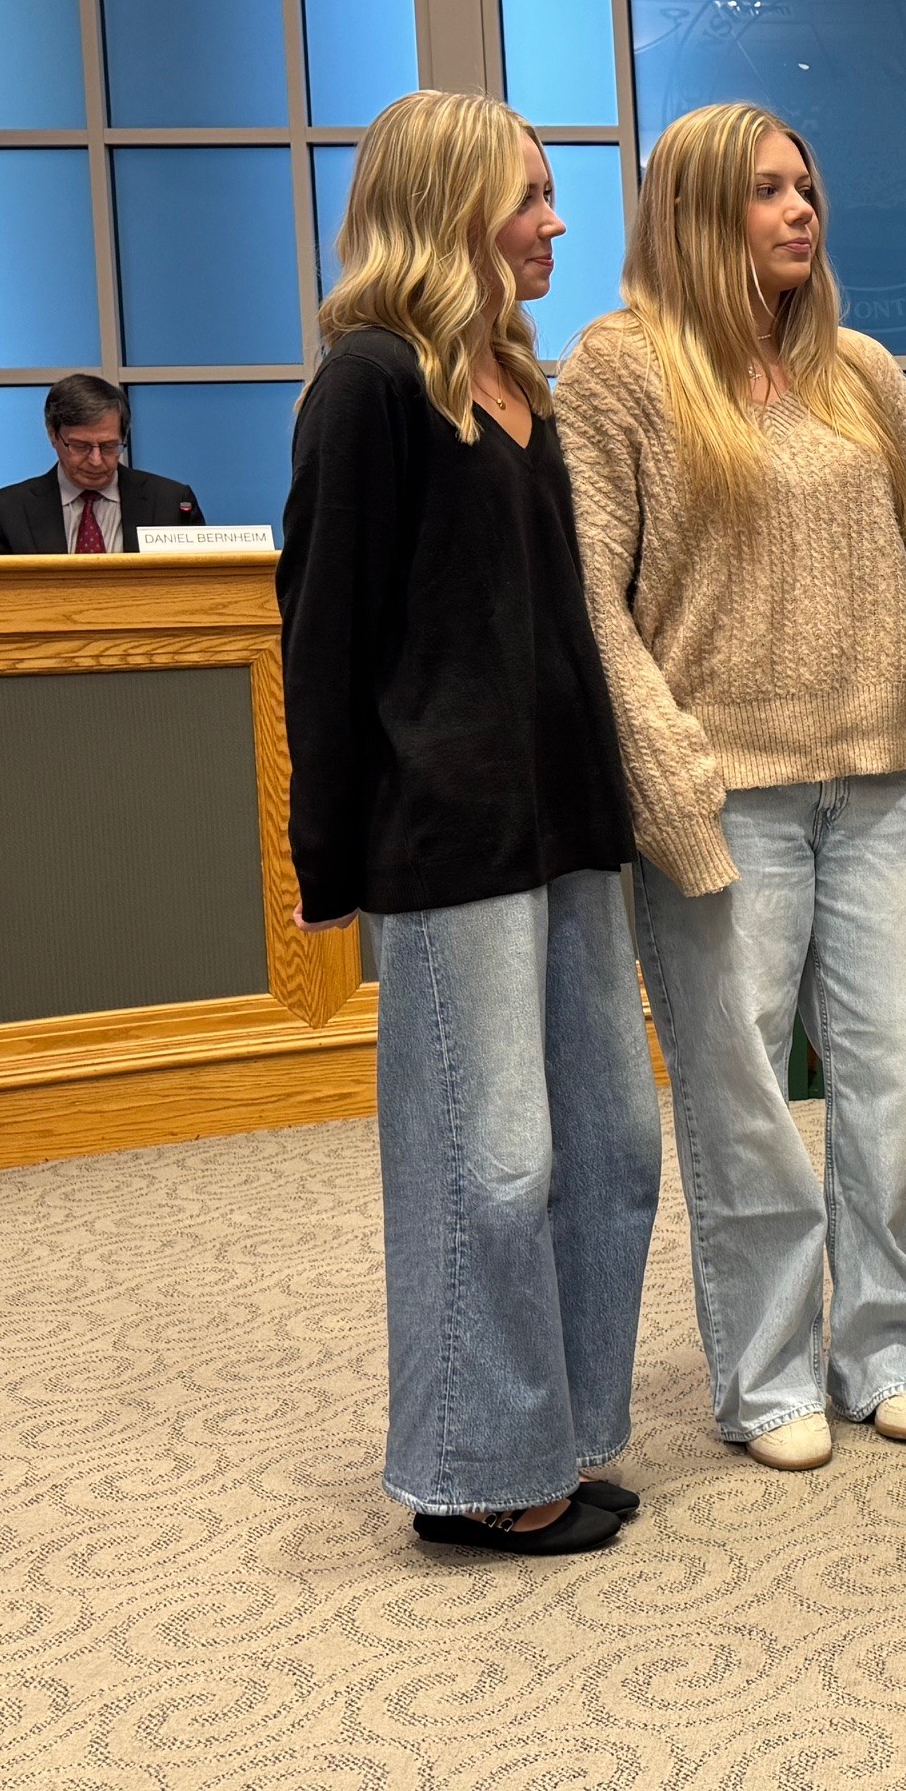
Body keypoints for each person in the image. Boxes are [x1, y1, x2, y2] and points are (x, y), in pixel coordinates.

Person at [557, 103, 906, 1472]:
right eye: (763, 191)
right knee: (741, 1103)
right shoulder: (618, 371)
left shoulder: (864, 370)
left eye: (807, 185)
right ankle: (764, 1375)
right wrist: (673, 786)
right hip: (724, 802)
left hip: (877, 788)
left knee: (896, 1086)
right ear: (694, 210)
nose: (800, 210)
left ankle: (896, 1345)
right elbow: (593, 601)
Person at [279, 89, 657, 1556]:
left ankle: (550, 1428)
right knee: (490, 1162)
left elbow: (561, 626)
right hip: (448, 841)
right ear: (447, 208)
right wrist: (324, 860)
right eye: (530, 196)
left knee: (612, 1141)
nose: (559, 220)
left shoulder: (520, 382)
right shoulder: (367, 385)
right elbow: (322, 634)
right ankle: (476, 1470)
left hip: (567, 826)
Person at [0, 375, 204, 554]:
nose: (96, 460)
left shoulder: (171, 503)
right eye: (81, 447)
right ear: (53, 435)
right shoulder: (6, 513)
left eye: (110, 446)